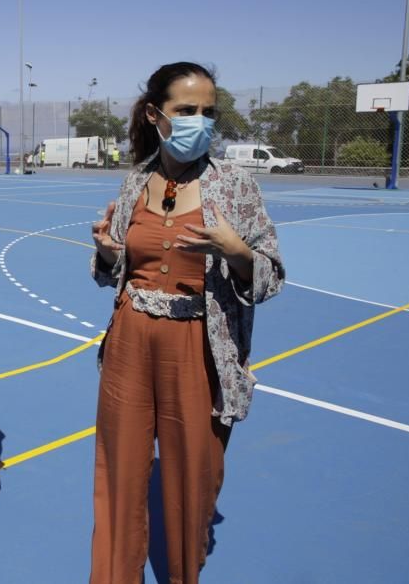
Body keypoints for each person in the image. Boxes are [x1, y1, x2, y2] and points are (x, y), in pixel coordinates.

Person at [89, 62, 284, 583]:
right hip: (130, 338)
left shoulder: (236, 187)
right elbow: (111, 275)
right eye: (185, 111)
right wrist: (107, 254)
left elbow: (270, 278)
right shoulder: (135, 182)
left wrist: (237, 251)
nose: (199, 121)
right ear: (156, 114)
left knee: (193, 474)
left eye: (207, 112)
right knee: (121, 470)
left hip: (198, 346)